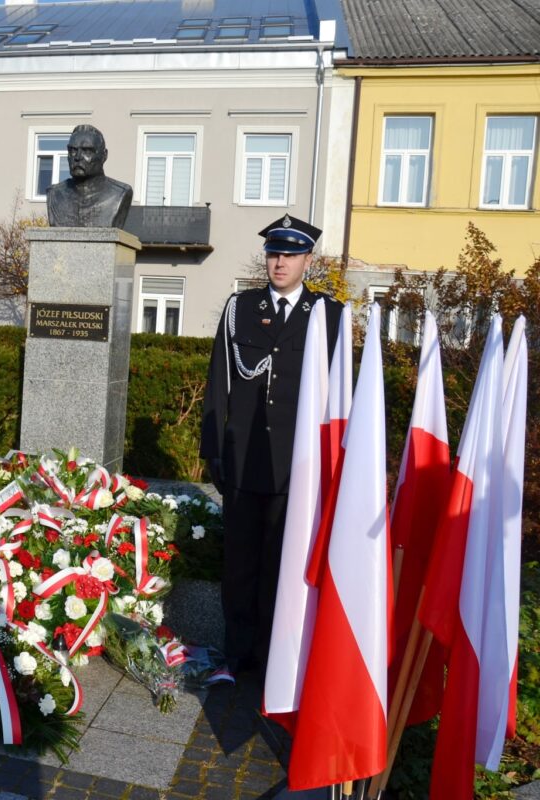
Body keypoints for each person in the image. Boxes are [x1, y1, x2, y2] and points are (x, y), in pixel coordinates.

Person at [199, 214, 342, 684]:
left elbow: (341, 396)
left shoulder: (329, 315)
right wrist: (214, 448)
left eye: (290, 254)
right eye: (273, 253)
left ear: (308, 260)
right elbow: (218, 381)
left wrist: (332, 460)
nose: (279, 262)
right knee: (239, 563)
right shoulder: (240, 308)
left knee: (283, 563)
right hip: (242, 461)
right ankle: (236, 655)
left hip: (295, 466)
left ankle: (274, 660)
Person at [45, 124, 133, 229]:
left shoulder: (119, 193)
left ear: (104, 156)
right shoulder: (54, 194)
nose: (77, 157)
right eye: (73, 151)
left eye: (87, 151)